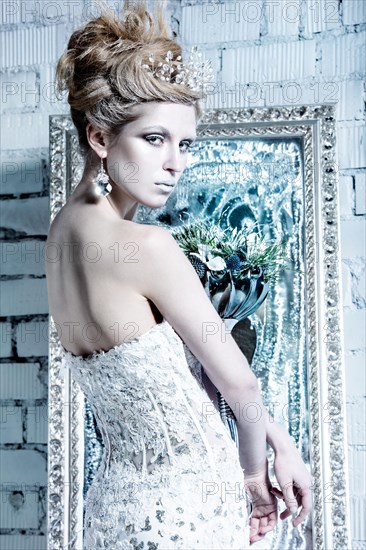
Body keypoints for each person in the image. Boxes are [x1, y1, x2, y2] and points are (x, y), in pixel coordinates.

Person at [45, 1, 312, 548]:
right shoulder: (147, 246)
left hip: (115, 514)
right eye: (154, 139)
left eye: (184, 143)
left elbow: (164, 379)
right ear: (100, 138)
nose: (175, 163)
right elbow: (239, 382)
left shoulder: (61, 237)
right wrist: (253, 483)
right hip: (188, 511)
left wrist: (278, 441)